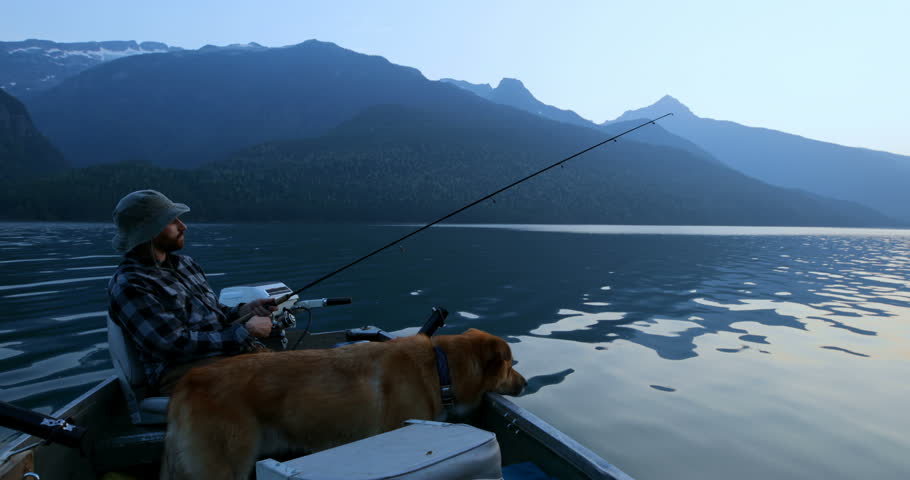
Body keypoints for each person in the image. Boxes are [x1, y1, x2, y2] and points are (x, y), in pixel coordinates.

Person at [107, 189, 276, 395]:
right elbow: (172, 344)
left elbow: (213, 314)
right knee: (280, 387)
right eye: (172, 221)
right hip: (180, 373)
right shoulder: (131, 284)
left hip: (225, 358)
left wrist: (245, 311)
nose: (183, 226)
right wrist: (245, 332)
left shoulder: (186, 264)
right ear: (150, 231)